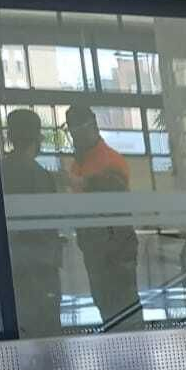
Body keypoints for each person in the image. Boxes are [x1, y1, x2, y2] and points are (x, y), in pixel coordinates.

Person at [65, 104, 138, 328]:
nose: (75, 138)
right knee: (105, 304)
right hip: (95, 249)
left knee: (124, 308)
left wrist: (82, 183)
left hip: (115, 250)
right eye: (72, 132)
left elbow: (112, 190)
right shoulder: (79, 163)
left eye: (78, 131)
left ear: (93, 128)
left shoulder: (110, 160)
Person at [0, 109, 62, 337]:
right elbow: (49, 221)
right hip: (39, 263)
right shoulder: (39, 176)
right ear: (37, 138)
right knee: (46, 329)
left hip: (11, 261)